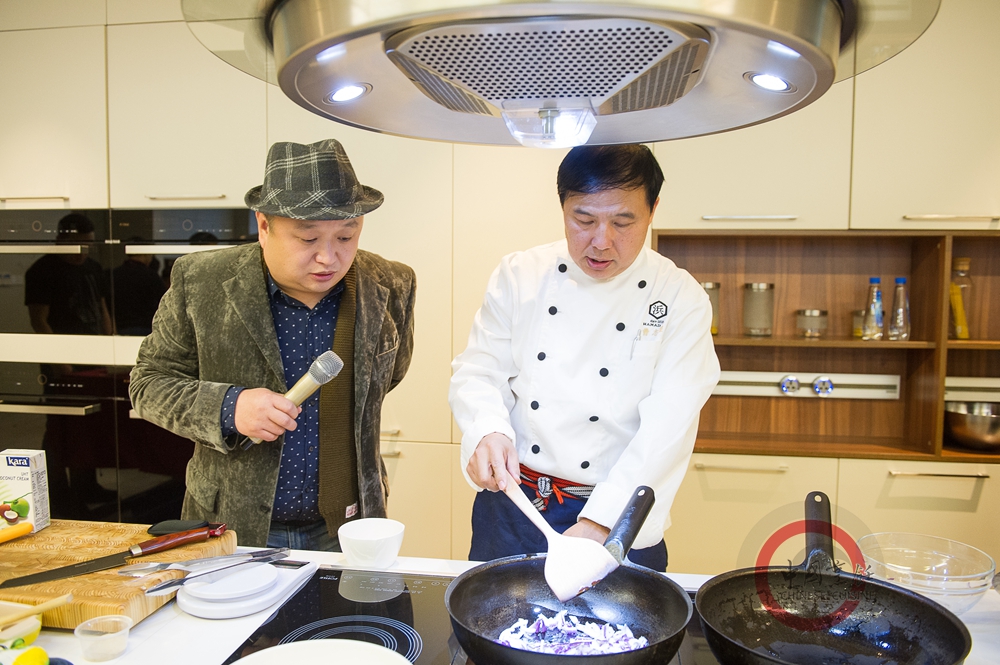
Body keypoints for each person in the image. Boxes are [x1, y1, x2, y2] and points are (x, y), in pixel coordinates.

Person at [130, 139, 417, 550]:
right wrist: (229, 407)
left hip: (350, 526)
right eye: (307, 239)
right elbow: (148, 384)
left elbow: (388, 378)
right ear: (264, 226)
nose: (329, 258)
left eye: (346, 236)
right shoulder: (201, 281)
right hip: (231, 526)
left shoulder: (392, 283)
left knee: (351, 616)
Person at [449, 144, 720, 571]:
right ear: (562, 208)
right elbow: (478, 371)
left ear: (653, 211)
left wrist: (601, 520)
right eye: (584, 220)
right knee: (492, 631)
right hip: (514, 505)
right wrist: (487, 430)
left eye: (623, 221)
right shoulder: (521, 275)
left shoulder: (679, 296)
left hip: (619, 510)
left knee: (621, 636)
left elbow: (671, 423)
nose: (601, 241)